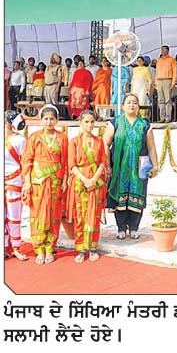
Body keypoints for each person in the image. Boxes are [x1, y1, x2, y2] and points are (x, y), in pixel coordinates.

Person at [103, 93, 159, 239]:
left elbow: (151, 147)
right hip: (119, 168)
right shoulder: (115, 122)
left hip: (139, 168)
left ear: (138, 106)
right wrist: (107, 166)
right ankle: (121, 228)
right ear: (122, 106)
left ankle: (134, 227)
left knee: (138, 196)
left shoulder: (145, 125)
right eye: (128, 102)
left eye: (135, 102)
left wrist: (155, 166)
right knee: (120, 197)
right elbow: (105, 144)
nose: (132, 105)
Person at [21, 105, 68, 264]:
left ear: (57, 120)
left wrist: (65, 180)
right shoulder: (34, 137)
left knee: (54, 215)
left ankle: (50, 248)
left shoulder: (62, 138)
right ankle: (38, 248)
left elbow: (65, 161)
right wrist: (27, 182)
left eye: (51, 119)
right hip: (37, 183)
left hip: (55, 183)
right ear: (41, 120)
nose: (48, 122)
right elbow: (27, 161)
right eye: (46, 119)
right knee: (37, 215)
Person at [67, 110, 107, 262]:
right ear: (80, 123)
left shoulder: (99, 141)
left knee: (94, 216)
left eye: (92, 122)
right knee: (80, 216)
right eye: (86, 122)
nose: (89, 125)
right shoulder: (74, 142)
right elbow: (72, 165)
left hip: (96, 183)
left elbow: (102, 162)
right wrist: (85, 179)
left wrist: (94, 179)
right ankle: (81, 249)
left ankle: (92, 248)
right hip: (80, 183)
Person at [4, 111, 28, 260]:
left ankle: (16, 247)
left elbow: (25, 161)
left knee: (14, 215)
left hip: (14, 180)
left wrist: (26, 183)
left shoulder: (20, 140)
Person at [155, 45, 177, 123]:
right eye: (162, 50)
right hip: (159, 80)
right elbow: (157, 71)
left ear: (167, 51)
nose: (163, 51)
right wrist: (156, 82)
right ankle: (162, 117)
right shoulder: (159, 60)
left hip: (167, 80)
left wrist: (173, 82)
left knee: (167, 99)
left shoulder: (172, 59)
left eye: (164, 50)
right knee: (160, 100)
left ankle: (168, 117)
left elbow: (175, 71)